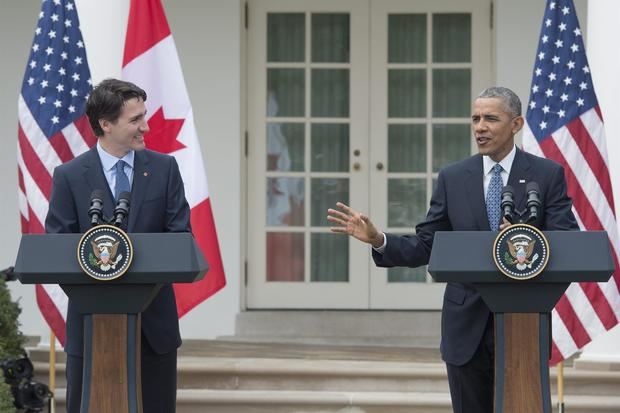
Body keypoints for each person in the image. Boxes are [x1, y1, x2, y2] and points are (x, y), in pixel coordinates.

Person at [327, 86, 578, 413]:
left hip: (522, 323)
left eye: (491, 118)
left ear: (515, 125)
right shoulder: (454, 177)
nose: (480, 127)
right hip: (466, 327)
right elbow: (427, 245)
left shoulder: (546, 175)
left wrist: (528, 239)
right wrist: (379, 239)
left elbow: (565, 239)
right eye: (475, 119)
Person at [45, 78, 190, 413]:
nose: (146, 126)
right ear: (105, 124)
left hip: (154, 329)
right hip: (91, 328)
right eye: (135, 120)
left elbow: (180, 237)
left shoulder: (165, 169)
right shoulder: (69, 176)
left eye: (144, 115)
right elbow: (57, 248)